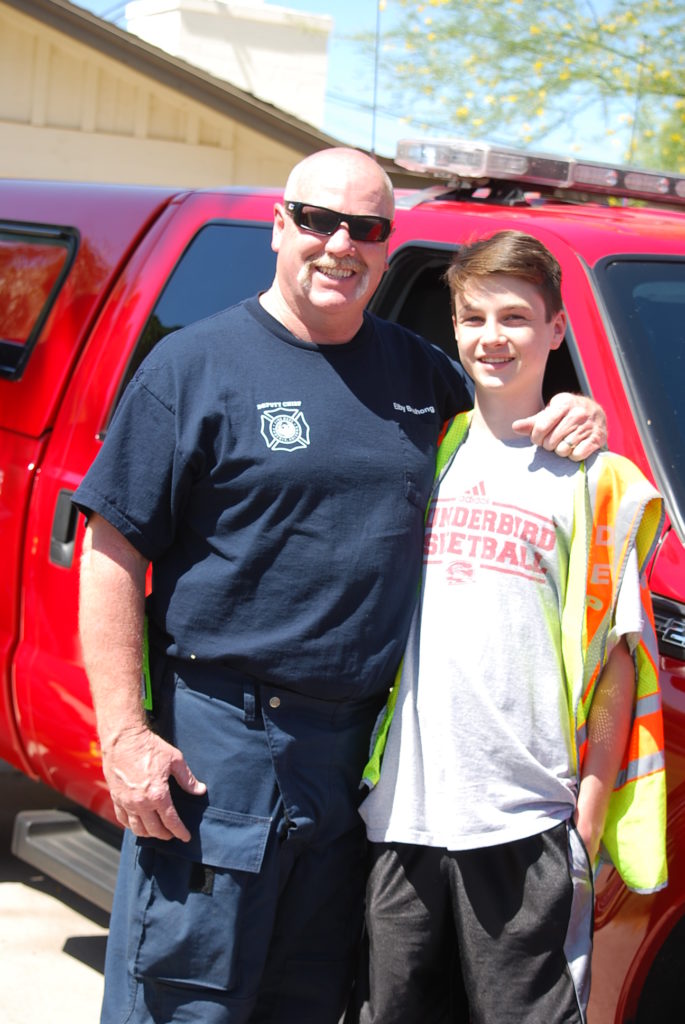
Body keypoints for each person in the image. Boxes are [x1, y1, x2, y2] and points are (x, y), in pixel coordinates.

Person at [75, 151, 606, 1024]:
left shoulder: (419, 375)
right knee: (188, 1000)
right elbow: (110, 552)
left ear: (387, 247)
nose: (339, 244)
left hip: (356, 760)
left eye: (365, 228)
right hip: (220, 747)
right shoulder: (192, 366)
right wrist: (125, 733)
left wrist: (575, 410)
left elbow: (506, 430)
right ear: (278, 226)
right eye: (318, 220)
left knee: (309, 999)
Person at [353, 230, 667, 1024]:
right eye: (473, 318)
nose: (491, 337)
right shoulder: (425, 453)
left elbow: (615, 660)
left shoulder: (594, 478)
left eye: (515, 318)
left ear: (556, 329)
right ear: (454, 328)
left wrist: (586, 811)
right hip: (403, 817)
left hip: (527, 820)